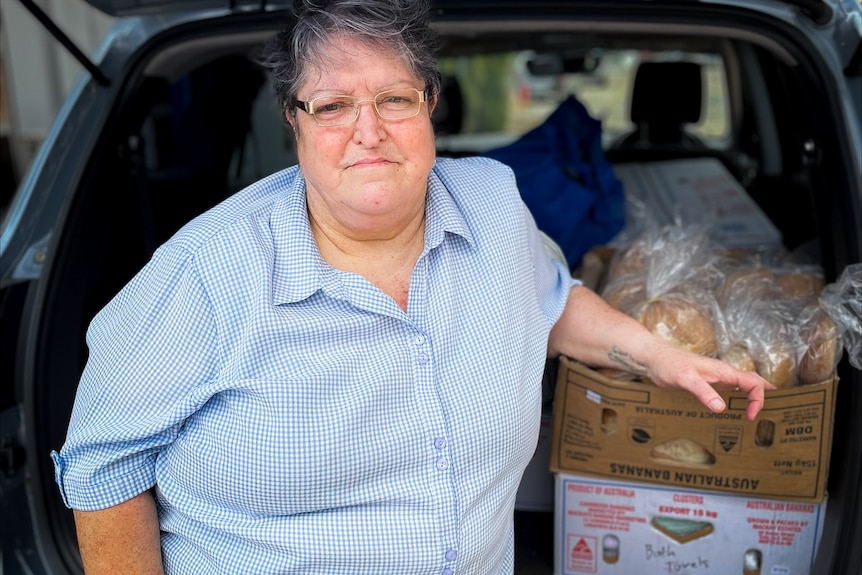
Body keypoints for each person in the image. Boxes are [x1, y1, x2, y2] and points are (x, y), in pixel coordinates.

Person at [51, 1, 773, 573]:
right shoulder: (205, 273)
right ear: (293, 125)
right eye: (332, 106)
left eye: (393, 98)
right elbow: (102, 463)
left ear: (430, 105)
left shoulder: (494, 206)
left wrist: (658, 356)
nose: (368, 131)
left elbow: (550, 301)